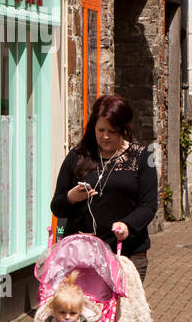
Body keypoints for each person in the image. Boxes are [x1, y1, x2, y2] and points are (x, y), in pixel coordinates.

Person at [50, 93, 158, 280]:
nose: (105, 137)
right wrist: (71, 197)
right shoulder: (77, 156)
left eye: (112, 131)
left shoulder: (141, 157)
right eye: (100, 130)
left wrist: (127, 225)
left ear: (124, 129)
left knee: (122, 310)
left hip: (126, 254)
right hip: (81, 256)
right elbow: (57, 207)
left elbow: (148, 205)